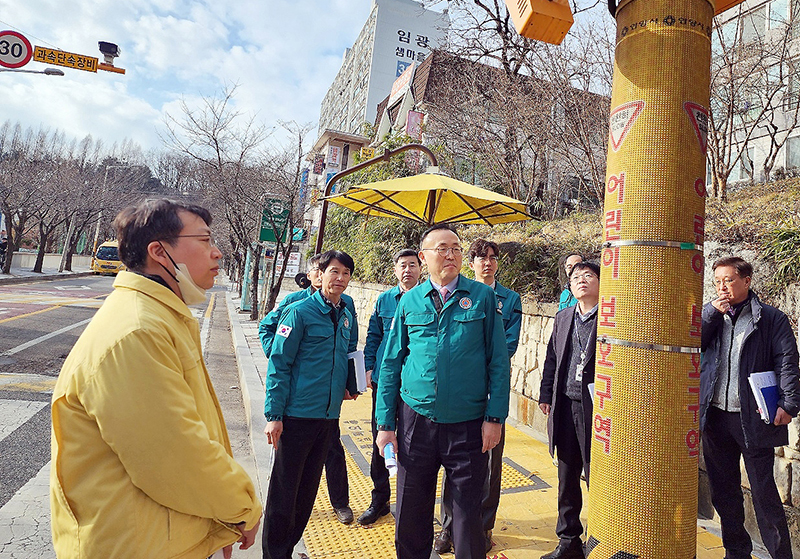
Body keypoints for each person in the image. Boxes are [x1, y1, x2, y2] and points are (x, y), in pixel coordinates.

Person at [50, 199, 262, 559]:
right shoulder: (137, 330)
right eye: (205, 240)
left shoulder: (160, 317)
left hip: (161, 535)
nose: (217, 253)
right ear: (159, 252)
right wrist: (241, 509)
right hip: (137, 545)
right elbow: (175, 455)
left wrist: (216, 523)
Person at [375, 224, 510, 559]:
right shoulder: (409, 301)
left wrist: (495, 418)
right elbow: (391, 363)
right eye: (442, 248)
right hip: (415, 421)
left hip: (468, 423)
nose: (451, 255)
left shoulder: (482, 297)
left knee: (466, 514)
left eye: (456, 248)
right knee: (411, 508)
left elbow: (498, 362)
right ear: (423, 257)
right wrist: (384, 424)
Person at [700, 256, 800, 559]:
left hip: (754, 417)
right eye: (717, 281)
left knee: (764, 493)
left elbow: (787, 361)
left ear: (747, 281)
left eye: (729, 280)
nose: (722, 287)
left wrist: (789, 404)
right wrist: (711, 317)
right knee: (724, 492)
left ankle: (780, 555)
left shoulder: (770, 318)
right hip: (716, 417)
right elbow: (694, 345)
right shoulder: (711, 316)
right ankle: (736, 552)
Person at [262, 250, 357, 559]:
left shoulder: (344, 314)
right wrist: (274, 414)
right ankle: (274, 554)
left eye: (345, 273)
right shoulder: (300, 312)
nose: (340, 278)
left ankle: (287, 550)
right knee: (284, 492)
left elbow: (345, 355)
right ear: (320, 275)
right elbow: (279, 362)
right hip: (296, 416)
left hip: (328, 417)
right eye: (334, 271)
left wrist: (349, 384)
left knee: (307, 493)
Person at [435, 238, 523, 554]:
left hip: (490, 390)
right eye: (480, 257)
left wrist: (477, 355)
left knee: (490, 462)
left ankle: (483, 525)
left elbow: (507, 345)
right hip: (462, 392)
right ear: (470, 262)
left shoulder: (510, 300)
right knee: (453, 461)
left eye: (492, 257)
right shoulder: (462, 294)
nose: (487, 262)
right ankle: (447, 527)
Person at [538, 261, 600, 559]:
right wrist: (546, 394)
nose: (581, 281)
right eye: (576, 278)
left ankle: (601, 538)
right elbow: (552, 359)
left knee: (597, 475)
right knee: (567, 475)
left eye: (588, 276)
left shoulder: (613, 319)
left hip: (597, 409)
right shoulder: (564, 317)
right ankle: (569, 540)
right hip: (565, 405)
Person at [359, 248, 422, 526]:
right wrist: (370, 366)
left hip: (414, 385)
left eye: (412, 265)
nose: (407, 270)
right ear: (395, 270)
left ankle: (410, 503)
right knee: (381, 439)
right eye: (402, 266)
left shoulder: (427, 299)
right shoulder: (385, 300)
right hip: (385, 382)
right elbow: (373, 335)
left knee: (414, 443)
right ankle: (380, 499)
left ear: (421, 268)